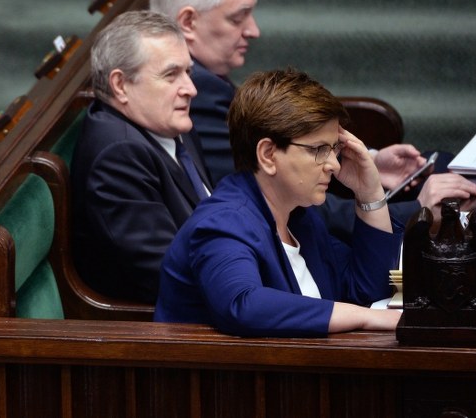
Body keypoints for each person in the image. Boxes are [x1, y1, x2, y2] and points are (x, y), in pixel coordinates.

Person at [148, 0, 476, 228]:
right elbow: (267, 198)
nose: (253, 30)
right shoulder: (197, 91)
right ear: (189, 22)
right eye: (238, 17)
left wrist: (365, 164)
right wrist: (410, 211)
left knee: (447, 168)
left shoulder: (206, 78)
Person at [155, 68, 403, 336]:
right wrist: (363, 317)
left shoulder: (300, 218)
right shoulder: (223, 223)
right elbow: (243, 305)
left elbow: (368, 291)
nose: (333, 164)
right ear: (268, 154)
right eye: (319, 150)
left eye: (335, 149)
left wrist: (370, 193)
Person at [71, 10, 212, 304]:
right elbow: (172, 277)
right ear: (121, 85)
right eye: (171, 75)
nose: (191, 89)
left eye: (189, 72)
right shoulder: (118, 156)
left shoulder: (171, 123)